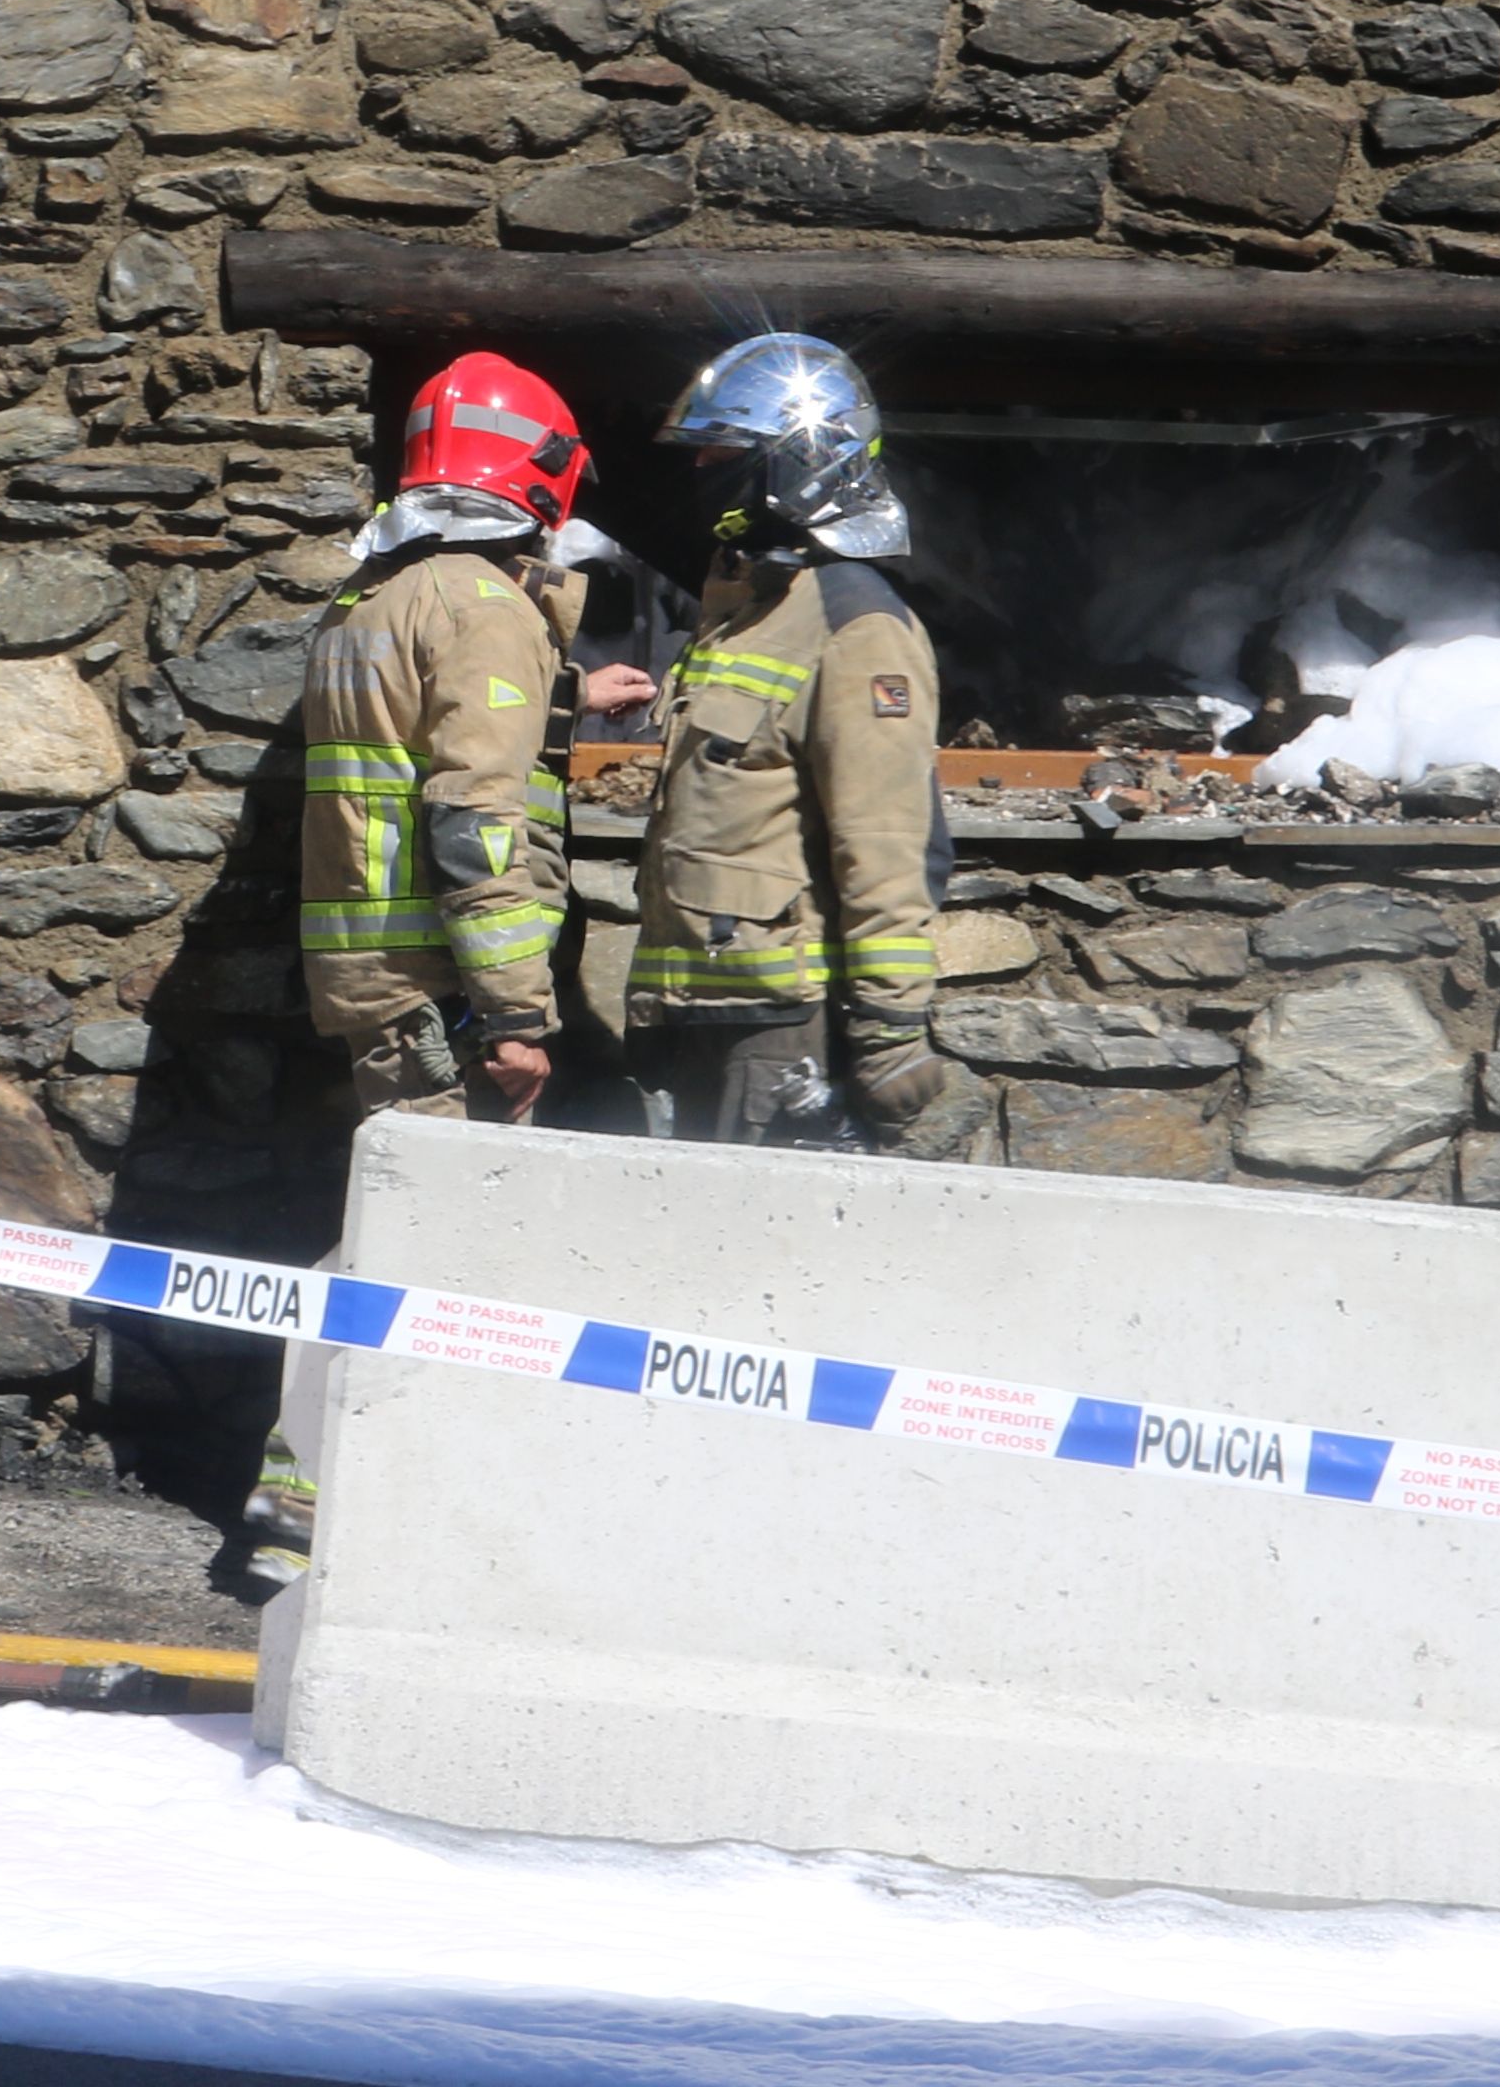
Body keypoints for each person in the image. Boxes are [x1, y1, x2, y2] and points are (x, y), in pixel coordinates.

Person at [243, 351, 653, 1578]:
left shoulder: (369, 601)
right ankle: (312, 1502)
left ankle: (311, 1493)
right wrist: (518, 1014)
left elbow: (416, 732)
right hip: (442, 986)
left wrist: (565, 692)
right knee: (414, 1252)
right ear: (541, 476)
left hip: (372, 972)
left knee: (390, 1225)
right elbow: (477, 819)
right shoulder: (487, 609)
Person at [626, 332, 963, 1153]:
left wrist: (888, 1027)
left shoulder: (856, 623)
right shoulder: (749, 614)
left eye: (723, 456)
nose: (702, 476)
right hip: (699, 1007)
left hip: (782, 1027)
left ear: (800, 460)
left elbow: (887, 842)